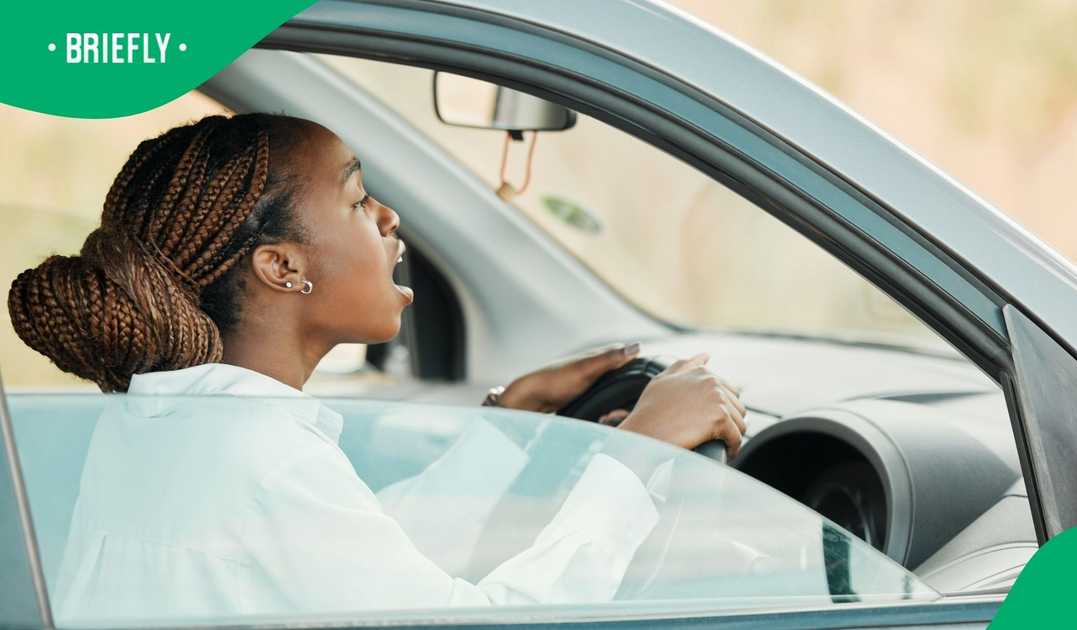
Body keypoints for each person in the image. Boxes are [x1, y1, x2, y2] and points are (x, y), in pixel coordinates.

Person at [7, 114, 747, 621]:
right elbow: (483, 627)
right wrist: (639, 454)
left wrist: (506, 425)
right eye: (359, 200)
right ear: (283, 265)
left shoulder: (165, 426)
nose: (390, 217)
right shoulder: (257, 460)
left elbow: (358, 563)